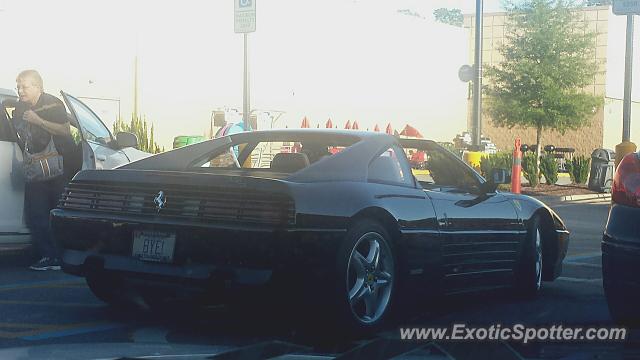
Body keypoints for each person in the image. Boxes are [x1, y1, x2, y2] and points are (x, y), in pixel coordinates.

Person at [13, 70, 73, 271]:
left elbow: (65, 130)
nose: (20, 90)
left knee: (54, 213)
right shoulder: (18, 108)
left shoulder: (53, 103)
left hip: (56, 169)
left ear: (37, 87)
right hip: (34, 170)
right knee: (35, 214)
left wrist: (37, 120)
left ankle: (55, 257)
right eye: (18, 86)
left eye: (24, 86)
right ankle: (46, 253)